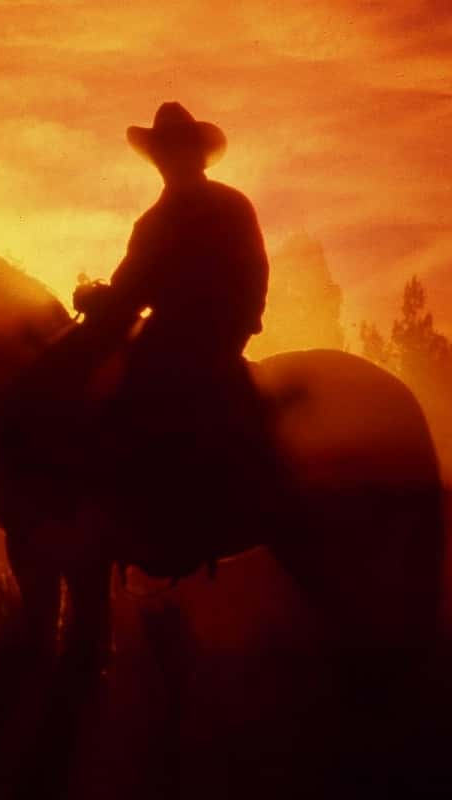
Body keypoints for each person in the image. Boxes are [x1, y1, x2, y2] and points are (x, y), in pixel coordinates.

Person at [72, 102, 273, 574]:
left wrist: (237, 324)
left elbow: (253, 273)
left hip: (210, 334)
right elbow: (129, 291)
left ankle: (174, 521)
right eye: (164, 151)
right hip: (183, 332)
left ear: (195, 155)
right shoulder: (156, 222)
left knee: (143, 398)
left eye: (177, 149)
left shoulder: (225, 207)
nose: (170, 159)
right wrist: (100, 300)